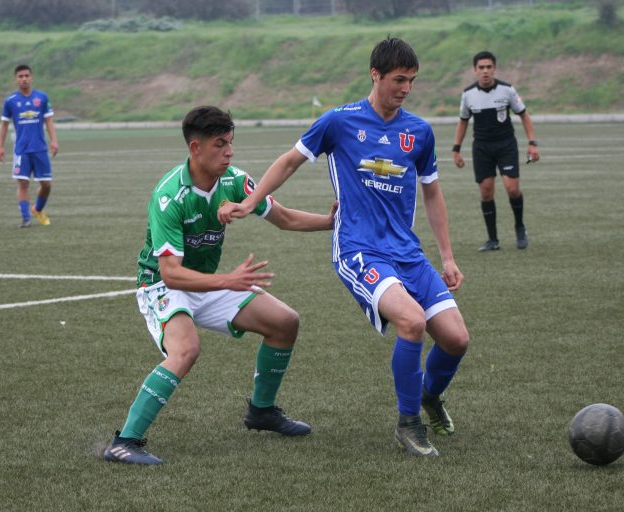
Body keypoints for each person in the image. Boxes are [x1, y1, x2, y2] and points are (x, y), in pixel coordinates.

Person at [218, 38, 470, 458]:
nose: (406, 88)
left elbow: (432, 194)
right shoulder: (339, 121)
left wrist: (446, 255)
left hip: (407, 251)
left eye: (411, 81)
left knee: (456, 340)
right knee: (410, 322)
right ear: (375, 75)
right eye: (398, 80)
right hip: (358, 249)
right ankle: (408, 424)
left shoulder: (418, 132)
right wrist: (251, 200)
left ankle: (427, 397)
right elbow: (288, 161)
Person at [103, 106, 336, 465]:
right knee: (185, 350)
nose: (230, 152)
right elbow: (170, 274)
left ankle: (261, 412)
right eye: (220, 145)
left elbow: (284, 217)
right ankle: (124, 441)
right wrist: (228, 280)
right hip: (162, 287)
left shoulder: (235, 181)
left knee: (285, 322)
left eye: (231, 143)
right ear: (195, 148)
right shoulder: (170, 197)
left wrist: (330, 222)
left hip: (208, 284)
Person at [452, 51, 539, 252]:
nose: (485, 71)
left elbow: (524, 115)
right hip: (482, 147)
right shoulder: (468, 94)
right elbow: (463, 122)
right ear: (475, 70)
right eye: (481, 67)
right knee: (486, 191)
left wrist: (532, 142)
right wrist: (456, 149)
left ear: (494, 69)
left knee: (512, 189)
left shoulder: (507, 90)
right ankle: (493, 239)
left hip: (506, 145)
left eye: (488, 67)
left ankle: (519, 227)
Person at [0, 64, 58, 228]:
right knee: (23, 183)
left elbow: (49, 120)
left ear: (31, 77)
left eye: (26, 76)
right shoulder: (10, 101)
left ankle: (37, 209)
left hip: (40, 148)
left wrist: (54, 140)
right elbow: (4, 125)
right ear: (16, 79)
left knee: (46, 185)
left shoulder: (42, 97)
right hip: (21, 150)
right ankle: (26, 219)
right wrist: (0, 147)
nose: (23, 79)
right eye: (20, 76)